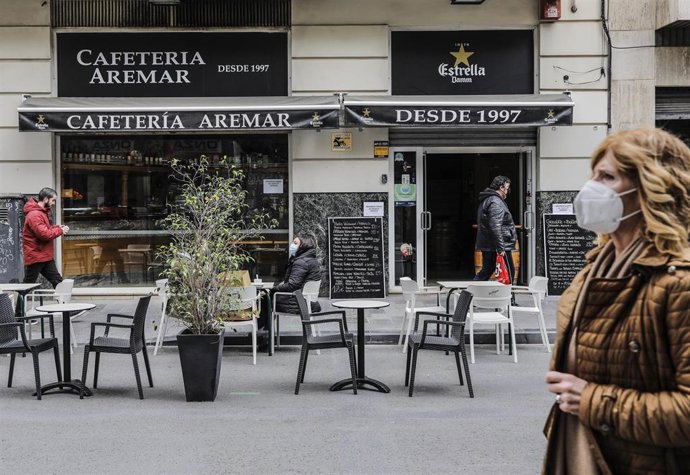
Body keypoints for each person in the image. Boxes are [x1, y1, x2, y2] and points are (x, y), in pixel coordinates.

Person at [543, 127, 690, 473]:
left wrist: (592, 400)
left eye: (606, 177)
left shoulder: (678, 282)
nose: (590, 189)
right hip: (584, 454)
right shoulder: (595, 268)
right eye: (593, 176)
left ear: (650, 189)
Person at [473, 175, 517, 284]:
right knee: (509, 272)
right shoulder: (495, 202)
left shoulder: (488, 200)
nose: (507, 191)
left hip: (490, 245)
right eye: (507, 188)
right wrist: (501, 248)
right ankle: (508, 300)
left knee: (486, 271)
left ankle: (470, 296)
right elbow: (495, 226)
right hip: (497, 246)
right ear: (501, 187)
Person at [22, 187, 69, 288]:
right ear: (46, 199)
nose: (54, 203)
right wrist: (60, 231)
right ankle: (17, 304)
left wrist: (56, 227)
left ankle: (63, 303)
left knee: (58, 282)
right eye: (53, 200)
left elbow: (44, 229)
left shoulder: (40, 212)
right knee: (27, 285)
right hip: (36, 256)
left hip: (43, 255)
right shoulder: (34, 214)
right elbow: (44, 235)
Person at [271, 235, 322, 315]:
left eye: (295, 243)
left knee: (264, 299)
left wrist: (274, 288)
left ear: (303, 246)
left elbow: (292, 285)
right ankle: (267, 327)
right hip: (308, 301)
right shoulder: (312, 260)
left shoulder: (301, 262)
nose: (291, 245)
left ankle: (263, 327)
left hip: (297, 303)